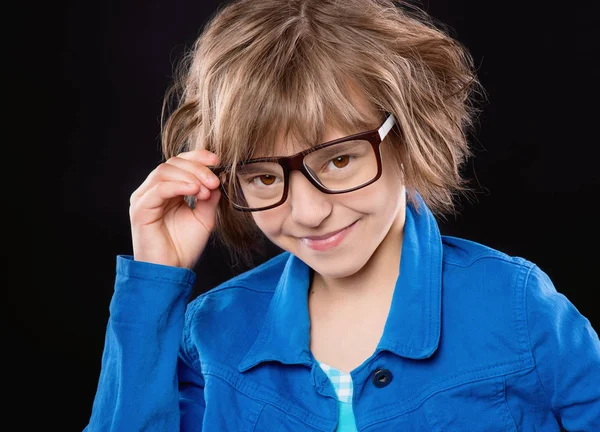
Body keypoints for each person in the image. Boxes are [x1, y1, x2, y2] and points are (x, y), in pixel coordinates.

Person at [84, 0, 600, 430]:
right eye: (265, 176)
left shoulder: (516, 307)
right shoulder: (212, 334)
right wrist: (155, 281)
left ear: (408, 134)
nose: (309, 212)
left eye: (338, 159)